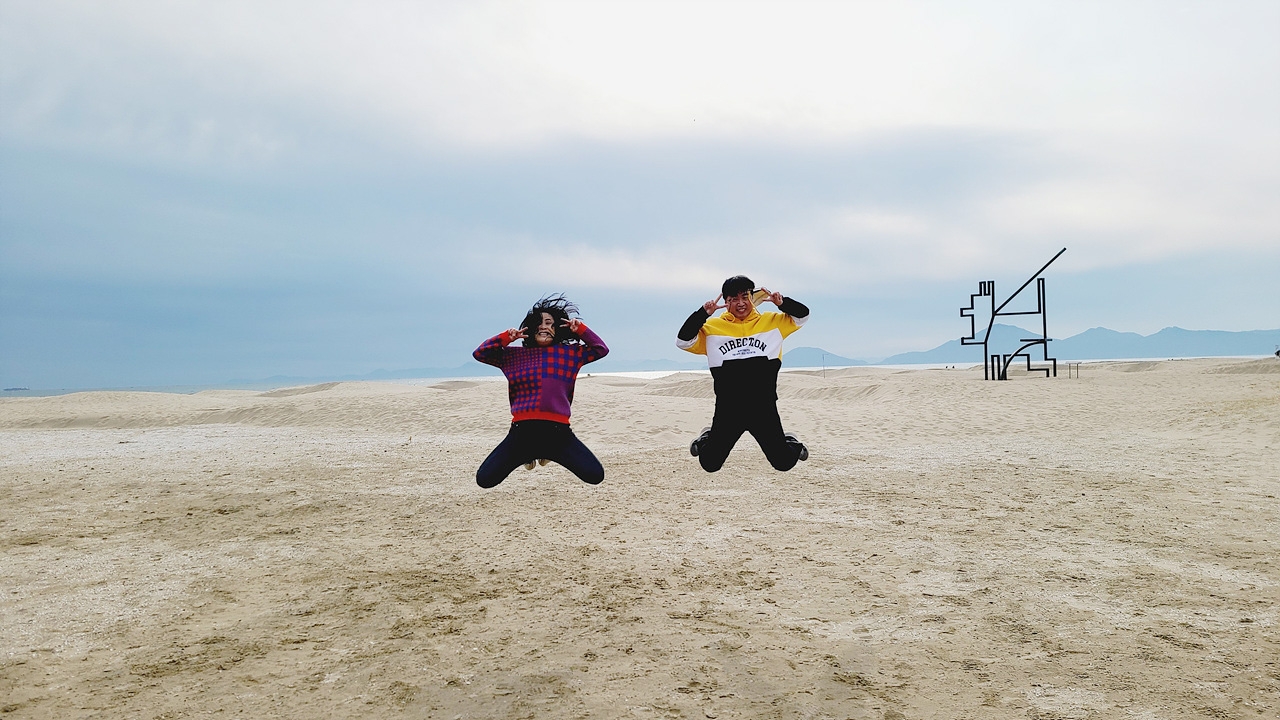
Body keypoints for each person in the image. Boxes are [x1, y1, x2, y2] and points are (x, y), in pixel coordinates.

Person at [472, 294, 609, 488]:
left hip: (558, 433)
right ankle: (527, 455)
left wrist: (580, 329)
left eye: (549, 323)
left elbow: (600, 349)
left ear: (557, 328)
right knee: (485, 479)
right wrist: (505, 338)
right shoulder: (513, 356)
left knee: (595, 475)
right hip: (522, 432)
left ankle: (546, 453)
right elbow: (480, 354)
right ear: (531, 327)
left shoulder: (571, 354)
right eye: (538, 323)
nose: (543, 326)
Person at [676, 275, 810, 472]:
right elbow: (683, 341)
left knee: (783, 463)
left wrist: (783, 304)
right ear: (725, 302)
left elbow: (803, 316)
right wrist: (703, 313)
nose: (740, 303)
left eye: (745, 297)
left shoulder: (772, 323)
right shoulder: (712, 329)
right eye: (733, 299)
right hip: (728, 409)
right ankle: (706, 437)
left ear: (751, 298)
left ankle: (790, 441)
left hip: (763, 407)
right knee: (710, 464)